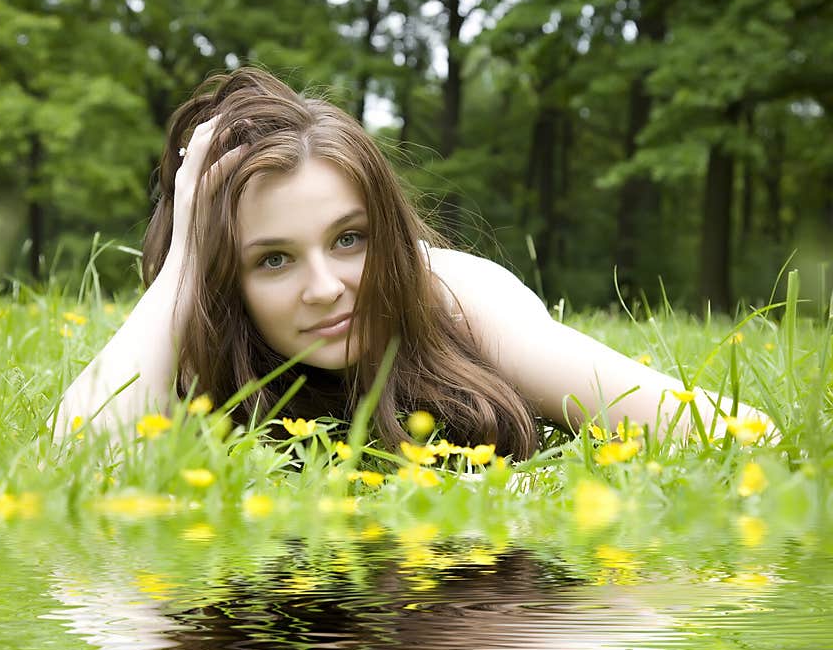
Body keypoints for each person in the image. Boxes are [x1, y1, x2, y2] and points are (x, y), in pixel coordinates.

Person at [50, 66, 773, 459]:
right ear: (222, 280)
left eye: (350, 238)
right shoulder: (199, 334)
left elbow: (733, 432)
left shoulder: (459, 305)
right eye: (273, 260)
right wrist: (184, 260)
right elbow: (77, 465)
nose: (328, 289)